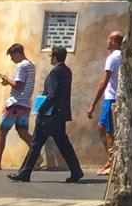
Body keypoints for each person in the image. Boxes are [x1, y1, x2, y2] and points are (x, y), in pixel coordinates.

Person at [8, 46, 83, 183]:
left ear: (54, 57)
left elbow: (52, 95)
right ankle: (76, 170)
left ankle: (24, 173)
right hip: (60, 115)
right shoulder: (67, 71)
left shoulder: (55, 73)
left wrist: (41, 110)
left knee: (36, 144)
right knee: (63, 144)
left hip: (49, 116)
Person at [0, 43, 35, 170]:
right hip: (25, 104)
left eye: (12, 56)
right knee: (23, 131)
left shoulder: (21, 67)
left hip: (15, 104)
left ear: (17, 54)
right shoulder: (31, 65)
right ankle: (37, 157)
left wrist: (6, 79)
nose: (12, 59)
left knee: (2, 131)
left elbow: (18, 85)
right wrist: (9, 82)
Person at [87, 31, 123, 174]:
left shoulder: (112, 58)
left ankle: (113, 163)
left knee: (109, 131)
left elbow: (103, 82)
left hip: (111, 98)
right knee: (102, 127)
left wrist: (93, 103)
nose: (107, 41)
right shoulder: (124, 56)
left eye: (109, 38)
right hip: (118, 98)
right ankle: (111, 158)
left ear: (114, 42)